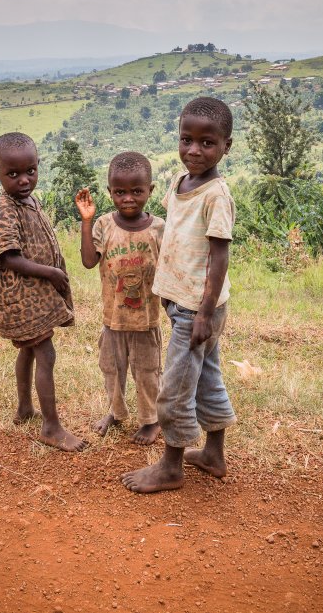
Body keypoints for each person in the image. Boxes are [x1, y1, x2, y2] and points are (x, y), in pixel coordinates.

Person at [122, 97, 236, 493]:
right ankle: (213, 455)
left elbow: (219, 257)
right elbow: (175, 231)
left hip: (197, 310)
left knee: (173, 389)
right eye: (187, 139)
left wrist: (203, 313)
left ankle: (171, 467)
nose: (194, 150)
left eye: (207, 143)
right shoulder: (179, 182)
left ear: (226, 146)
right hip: (184, 305)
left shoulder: (216, 195)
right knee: (206, 380)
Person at [0, 131, 88, 452]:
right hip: (21, 300)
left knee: (28, 350)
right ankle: (51, 426)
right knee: (45, 352)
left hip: (35, 296)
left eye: (30, 171)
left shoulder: (29, 200)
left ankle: (24, 408)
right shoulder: (4, 208)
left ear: (38, 165)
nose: (23, 180)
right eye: (12, 174)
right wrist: (52, 272)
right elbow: (9, 256)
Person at [75, 151, 165, 445]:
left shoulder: (159, 229)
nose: (128, 198)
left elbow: (170, 271)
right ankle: (115, 412)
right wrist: (86, 222)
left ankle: (151, 421)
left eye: (137, 191)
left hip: (147, 321)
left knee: (148, 373)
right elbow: (89, 261)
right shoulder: (103, 224)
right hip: (113, 321)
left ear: (150, 190)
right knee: (111, 369)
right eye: (120, 192)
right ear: (110, 192)